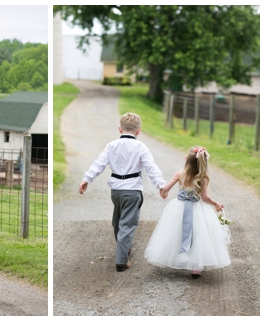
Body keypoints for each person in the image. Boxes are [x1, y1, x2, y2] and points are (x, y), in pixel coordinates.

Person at [79, 112, 167, 272]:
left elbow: (98, 164)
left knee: (118, 221)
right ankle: (121, 260)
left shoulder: (111, 146)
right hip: (132, 190)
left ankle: (124, 247)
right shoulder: (141, 147)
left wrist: (87, 179)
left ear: (120, 129)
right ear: (138, 131)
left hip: (116, 191)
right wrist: (161, 185)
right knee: (127, 223)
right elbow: (151, 168)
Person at [144, 147, 230, 279]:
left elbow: (166, 188)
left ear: (186, 160)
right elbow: (205, 197)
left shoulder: (180, 174)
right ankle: (196, 267)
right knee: (198, 235)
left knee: (176, 233)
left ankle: (180, 259)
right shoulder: (203, 178)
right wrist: (216, 204)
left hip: (179, 208)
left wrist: (163, 192)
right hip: (197, 209)